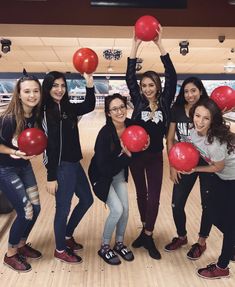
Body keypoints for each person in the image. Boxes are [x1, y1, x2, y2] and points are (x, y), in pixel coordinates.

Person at [125, 26, 177, 259]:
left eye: (150, 85)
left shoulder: (165, 101)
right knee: (141, 195)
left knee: (154, 196)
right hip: (136, 157)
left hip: (156, 156)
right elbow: (129, 78)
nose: (146, 89)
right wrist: (135, 46)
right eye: (144, 85)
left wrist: (159, 44)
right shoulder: (137, 101)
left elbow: (172, 75)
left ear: (157, 86)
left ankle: (148, 233)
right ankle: (145, 233)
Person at [41, 71, 95, 264]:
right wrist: (51, 175)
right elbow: (50, 147)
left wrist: (89, 84)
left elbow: (89, 105)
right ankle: (60, 250)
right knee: (62, 209)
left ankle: (66, 235)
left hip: (74, 163)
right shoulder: (45, 112)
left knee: (87, 199)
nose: (59, 89)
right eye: (55, 85)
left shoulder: (67, 107)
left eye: (63, 86)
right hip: (61, 166)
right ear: (47, 87)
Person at [164, 77, 213, 260]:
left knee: (207, 204)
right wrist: (173, 165)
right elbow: (170, 139)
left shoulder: (208, 109)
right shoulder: (176, 110)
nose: (190, 95)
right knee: (176, 203)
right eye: (186, 91)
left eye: (193, 90)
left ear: (200, 91)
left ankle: (201, 242)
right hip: (184, 162)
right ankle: (182, 236)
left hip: (207, 162)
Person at [188, 98, 235, 279]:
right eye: (197, 116)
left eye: (206, 118)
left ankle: (222, 266)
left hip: (231, 178)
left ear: (212, 120)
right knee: (212, 212)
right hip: (223, 177)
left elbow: (217, 167)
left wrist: (194, 169)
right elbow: (194, 150)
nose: (199, 121)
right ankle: (232, 242)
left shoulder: (215, 143)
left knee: (229, 222)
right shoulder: (194, 133)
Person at [0, 75, 42, 272]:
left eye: (35, 91)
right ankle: (10, 254)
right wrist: (14, 152)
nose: (32, 95)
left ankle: (21, 244)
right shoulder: (8, 119)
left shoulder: (34, 116)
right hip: (6, 169)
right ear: (18, 94)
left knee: (37, 209)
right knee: (26, 212)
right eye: (27, 91)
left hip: (23, 167)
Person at [88, 94, 135, 265]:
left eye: (122, 107)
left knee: (126, 209)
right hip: (101, 175)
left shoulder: (130, 125)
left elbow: (143, 136)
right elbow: (104, 167)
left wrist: (147, 142)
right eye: (114, 109)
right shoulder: (104, 134)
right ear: (108, 113)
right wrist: (127, 157)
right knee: (117, 210)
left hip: (118, 173)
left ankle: (119, 243)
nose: (119, 111)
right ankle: (105, 246)